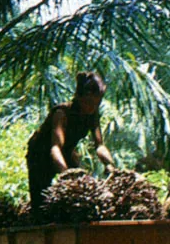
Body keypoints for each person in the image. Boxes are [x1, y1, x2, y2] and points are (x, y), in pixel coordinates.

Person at [26, 71, 115, 209]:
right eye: (89, 103)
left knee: (82, 189)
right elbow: (55, 148)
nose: (92, 108)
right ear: (79, 97)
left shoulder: (92, 114)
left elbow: (99, 145)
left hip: (66, 152)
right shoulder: (61, 113)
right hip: (40, 155)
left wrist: (110, 165)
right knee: (41, 202)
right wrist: (65, 174)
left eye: (96, 104)